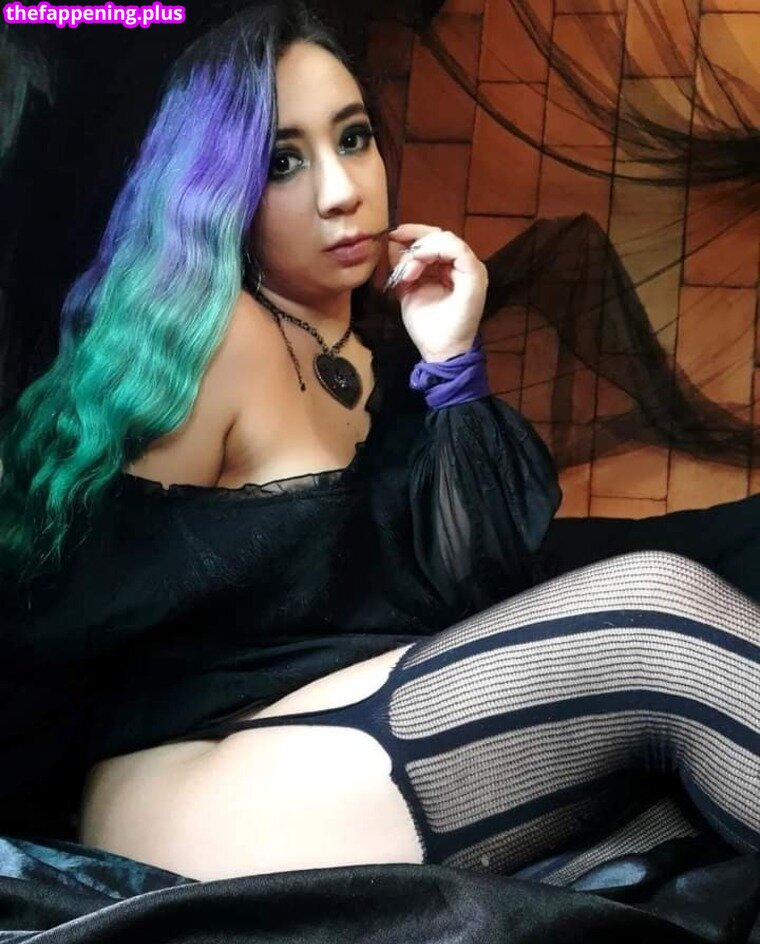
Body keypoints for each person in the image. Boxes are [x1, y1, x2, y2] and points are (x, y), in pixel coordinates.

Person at [0, 1, 757, 883]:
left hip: (323, 734)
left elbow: (475, 579)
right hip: (187, 781)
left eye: (353, 139)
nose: (341, 191)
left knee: (669, 807)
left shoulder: (374, 345)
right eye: (283, 161)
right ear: (216, 193)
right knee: (656, 612)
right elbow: (65, 614)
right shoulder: (216, 341)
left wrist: (452, 364)